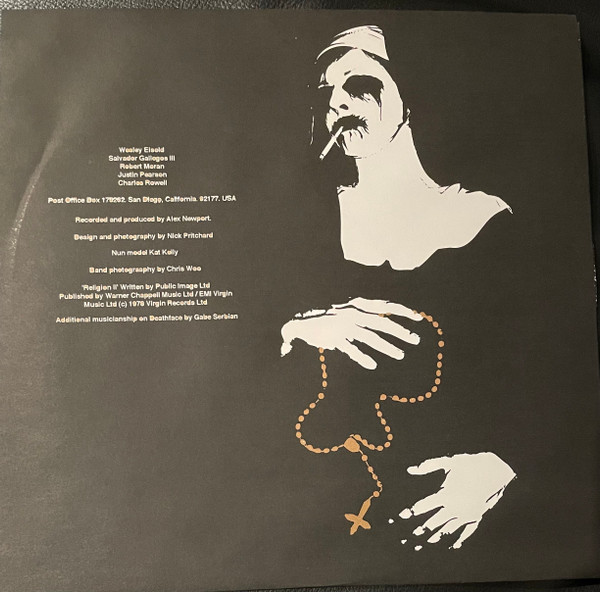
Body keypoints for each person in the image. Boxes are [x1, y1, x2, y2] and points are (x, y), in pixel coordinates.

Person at [280, 25, 516, 550]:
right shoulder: (298, 221)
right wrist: (296, 328)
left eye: (360, 84)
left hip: (456, 516)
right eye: (326, 93)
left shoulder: (484, 218)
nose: (338, 103)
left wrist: (502, 465)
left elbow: (542, 372)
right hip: (311, 510)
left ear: (411, 95)